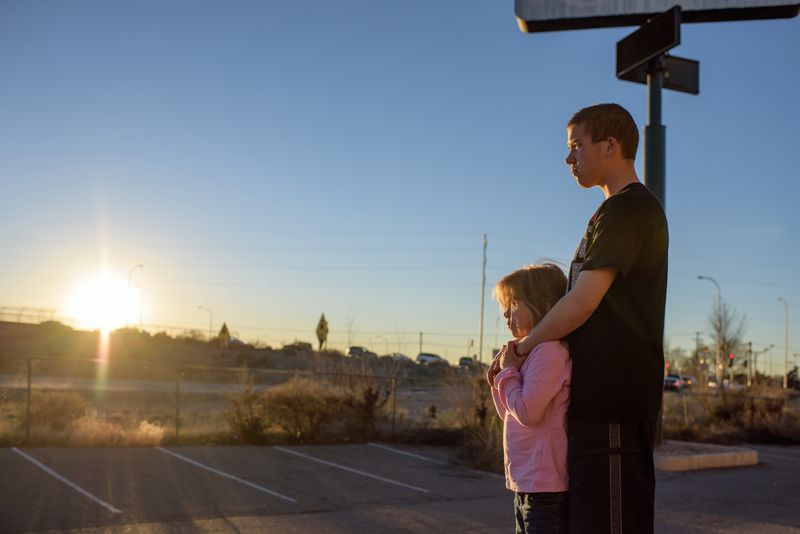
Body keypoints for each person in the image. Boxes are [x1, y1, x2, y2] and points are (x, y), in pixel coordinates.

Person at [489, 103, 668, 534]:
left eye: (576, 146)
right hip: (595, 410)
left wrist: (524, 350)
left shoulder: (629, 210)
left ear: (610, 145)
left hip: (614, 409)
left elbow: (583, 301)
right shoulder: (609, 213)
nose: (569, 159)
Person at [487, 263, 570, 534]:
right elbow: (509, 414)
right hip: (526, 486)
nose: (505, 313)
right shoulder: (532, 353)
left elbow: (527, 412)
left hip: (545, 488)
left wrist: (509, 372)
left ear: (542, 303)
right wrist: (497, 380)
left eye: (513, 303)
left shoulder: (549, 352)